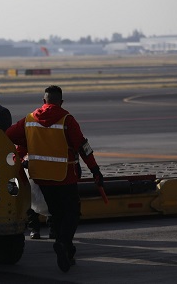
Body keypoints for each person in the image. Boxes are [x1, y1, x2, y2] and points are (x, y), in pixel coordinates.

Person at [6, 85, 104, 273]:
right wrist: (95, 170)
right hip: (64, 177)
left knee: (57, 214)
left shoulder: (29, 119)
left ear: (44, 101)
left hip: (41, 177)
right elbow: (83, 146)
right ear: (61, 102)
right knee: (72, 213)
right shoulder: (67, 119)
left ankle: (67, 250)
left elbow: (8, 135)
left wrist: (23, 151)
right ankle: (63, 243)